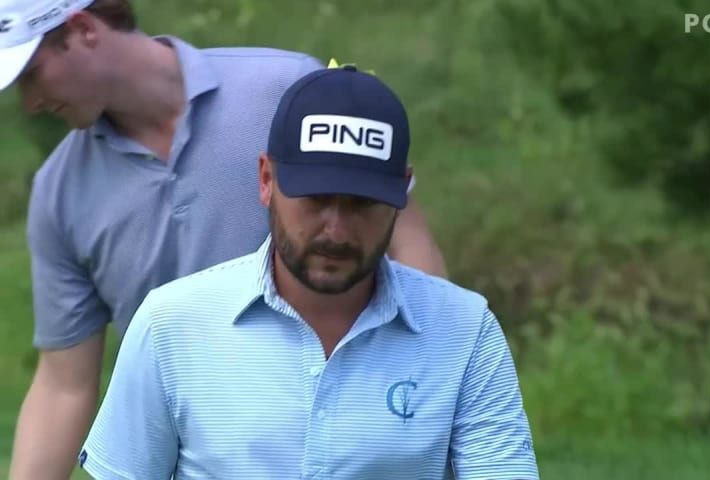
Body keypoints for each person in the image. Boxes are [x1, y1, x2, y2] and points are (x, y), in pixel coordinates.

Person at [0, 0, 448, 478]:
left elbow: (407, 246)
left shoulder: (283, 89)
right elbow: (63, 387)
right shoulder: (59, 192)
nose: (30, 103)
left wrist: (427, 402)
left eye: (32, 73)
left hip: (360, 441)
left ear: (83, 29)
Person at [79, 64, 539, 479]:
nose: (336, 230)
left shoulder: (463, 330)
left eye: (362, 204)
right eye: (315, 199)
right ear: (265, 180)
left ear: (401, 194)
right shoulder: (171, 325)